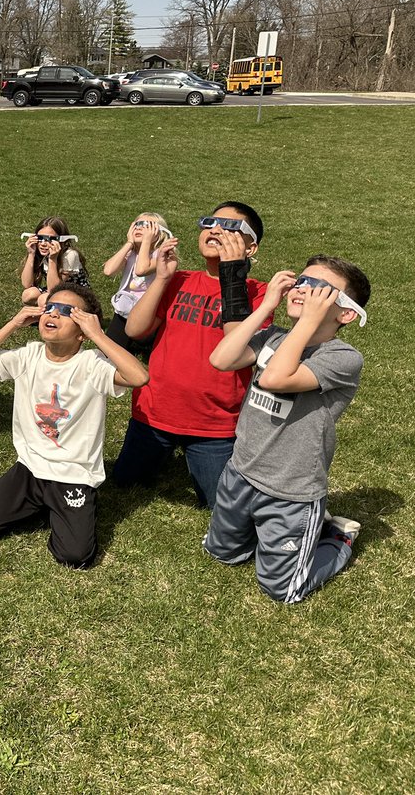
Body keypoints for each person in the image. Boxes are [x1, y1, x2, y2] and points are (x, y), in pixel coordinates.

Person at [204, 255, 370, 603]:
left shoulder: (342, 358)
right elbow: (221, 359)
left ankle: (336, 537)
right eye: (303, 282)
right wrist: (266, 305)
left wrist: (305, 325)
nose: (304, 290)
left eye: (321, 289)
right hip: (241, 471)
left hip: (290, 491)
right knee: (222, 554)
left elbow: (276, 378)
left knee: (281, 589)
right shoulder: (273, 337)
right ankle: (281, 534)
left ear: (346, 313)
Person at [0, 285, 149, 568]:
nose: (53, 314)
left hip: (74, 473)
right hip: (30, 465)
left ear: (81, 331)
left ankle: (68, 508)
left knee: (75, 557)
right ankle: (45, 506)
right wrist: (14, 323)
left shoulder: (91, 364)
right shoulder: (30, 355)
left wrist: (98, 335)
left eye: (66, 312)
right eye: (49, 308)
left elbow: (138, 377)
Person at [110, 201, 269, 508]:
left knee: (220, 504)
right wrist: (163, 279)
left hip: (213, 424)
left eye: (232, 227)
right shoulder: (180, 279)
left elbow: (234, 348)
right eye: (210, 222)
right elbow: (135, 331)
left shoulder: (258, 294)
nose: (217, 229)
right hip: (154, 413)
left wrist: (231, 275)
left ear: (250, 249)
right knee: (125, 482)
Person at [102, 212, 169, 353]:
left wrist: (146, 241)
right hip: (125, 310)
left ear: (159, 231)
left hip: (148, 315)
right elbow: (108, 270)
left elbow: (141, 269)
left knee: (148, 343)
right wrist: (129, 243)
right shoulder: (131, 253)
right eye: (137, 224)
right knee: (107, 353)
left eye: (147, 225)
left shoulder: (161, 255)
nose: (139, 228)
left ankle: (147, 341)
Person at [20, 217, 89, 307]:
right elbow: (26, 284)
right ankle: (46, 316)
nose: (43, 243)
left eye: (50, 239)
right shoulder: (40, 253)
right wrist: (31, 254)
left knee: (44, 299)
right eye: (40, 238)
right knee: (28, 294)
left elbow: (54, 289)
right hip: (56, 290)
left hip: (77, 296)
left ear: (62, 240)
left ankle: (50, 319)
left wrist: (53, 259)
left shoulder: (70, 255)